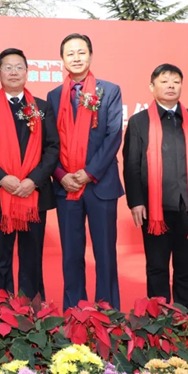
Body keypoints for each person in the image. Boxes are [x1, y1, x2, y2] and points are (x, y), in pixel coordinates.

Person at [122, 63, 188, 310]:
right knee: (157, 265)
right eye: (164, 81)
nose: (171, 86)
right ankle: (159, 315)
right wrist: (136, 201)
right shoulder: (139, 122)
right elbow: (131, 165)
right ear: (152, 86)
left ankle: (186, 312)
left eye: (176, 81)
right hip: (154, 207)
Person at [0, 48, 59, 300]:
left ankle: (32, 311)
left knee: (32, 258)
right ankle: (1, 311)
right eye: (7, 67)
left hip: (33, 194)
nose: (13, 72)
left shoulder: (42, 108)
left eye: (19, 67)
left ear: (27, 72)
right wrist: (1, 178)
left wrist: (33, 180)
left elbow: (52, 148)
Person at [46, 33, 124, 310]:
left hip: (100, 184)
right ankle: (73, 312)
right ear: (62, 59)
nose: (76, 58)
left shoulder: (109, 91)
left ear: (90, 55)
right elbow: (49, 142)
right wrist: (60, 174)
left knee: (105, 254)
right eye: (70, 53)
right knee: (71, 255)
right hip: (66, 186)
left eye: (81, 52)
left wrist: (89, 173)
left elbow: (113, 135)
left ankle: (109, 313)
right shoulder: (54, 96)